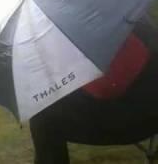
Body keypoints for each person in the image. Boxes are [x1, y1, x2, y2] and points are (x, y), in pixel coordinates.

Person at [29, 15, 158, 164]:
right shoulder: (129, 11)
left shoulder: (89, 33)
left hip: (138, 120)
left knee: (42, 118)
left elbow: (104, 89)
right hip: (148, 106)